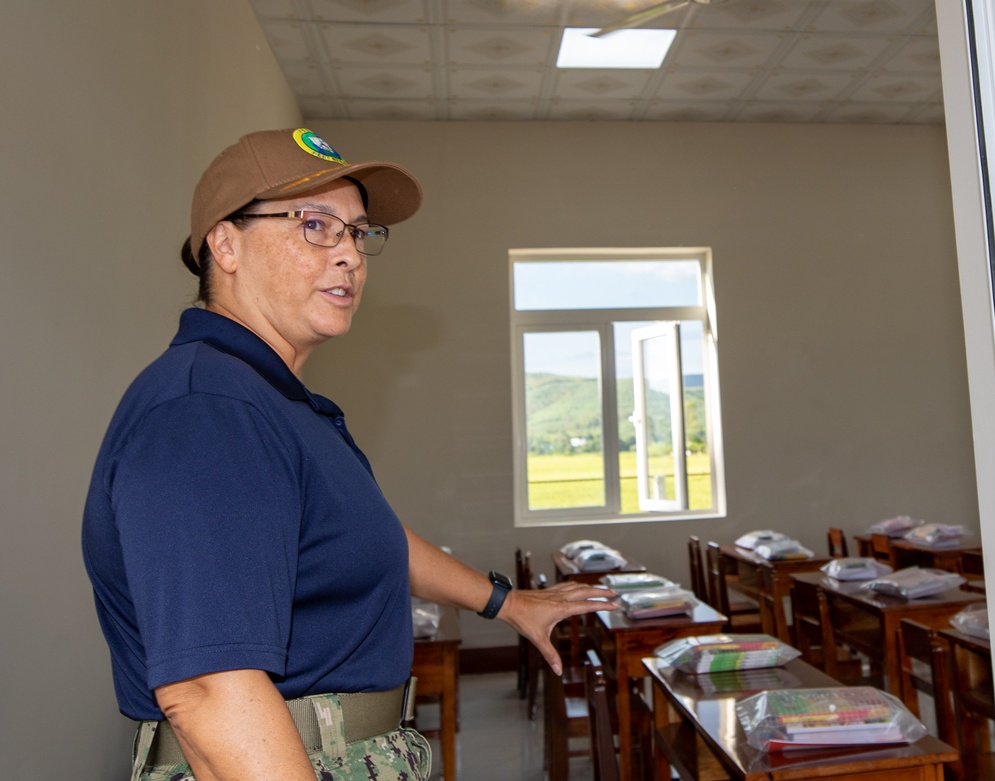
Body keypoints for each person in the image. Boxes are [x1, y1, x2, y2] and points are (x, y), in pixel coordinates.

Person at [82, 127, 615, 781]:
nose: (350, 256)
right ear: (225, 244)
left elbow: (373, 539)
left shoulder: (280, 403)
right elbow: (211, 694)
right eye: (315, 225)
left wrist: (507, 602)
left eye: (358, 233)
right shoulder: (208, 408)